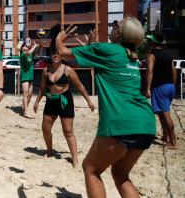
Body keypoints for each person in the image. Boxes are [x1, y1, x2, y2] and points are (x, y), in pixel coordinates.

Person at [56, 17, 156, 197]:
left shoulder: (108, 50)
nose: (111, 27)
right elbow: (106, 66)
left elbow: (62, 52)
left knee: (91, 169)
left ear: (119, 33)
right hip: (145, 123)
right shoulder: (131, 56)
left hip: (120, 122)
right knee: (121, 175)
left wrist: (58, 38)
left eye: (115, 25)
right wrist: (92, 46)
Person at [33, 48, 95, 167]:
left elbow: (80, 86)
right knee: (45, 128)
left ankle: (75, 158)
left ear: (61, 56)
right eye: (53, 53)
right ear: (50, 56)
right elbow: (42, 88)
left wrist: (89, 101)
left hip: (65, 101)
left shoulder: (68, 70)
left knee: (68, 131)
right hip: (51, 100)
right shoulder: (46, 71)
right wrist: (36, 102)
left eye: (57, 54)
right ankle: (50, 151)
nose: (55, 55)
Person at [145, 34, 178, 149]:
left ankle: (173, 142)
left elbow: (149, 72)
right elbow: (173, 70)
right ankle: (166, 135)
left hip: (160, 87)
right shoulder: (169, 54)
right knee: (160, 112)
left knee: (165, 114)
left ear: (154, 43)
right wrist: (173, 85)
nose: (148, 42)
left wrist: (147, 88)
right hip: (169, 86)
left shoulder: (151, 55)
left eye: (149, 40)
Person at [19, 39, 40, 118]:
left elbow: (37, 51)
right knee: (25, 94)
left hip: (30, 76)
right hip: (24, 76)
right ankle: (25, 112)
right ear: (22, 49)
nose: (26, 47)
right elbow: (29, 52)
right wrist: (34, 46)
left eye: (26, 46)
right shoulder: (23, 55)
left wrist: (39, 44)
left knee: (30, 94)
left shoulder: (30, 54)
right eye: (24, 46)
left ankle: (24, 107)